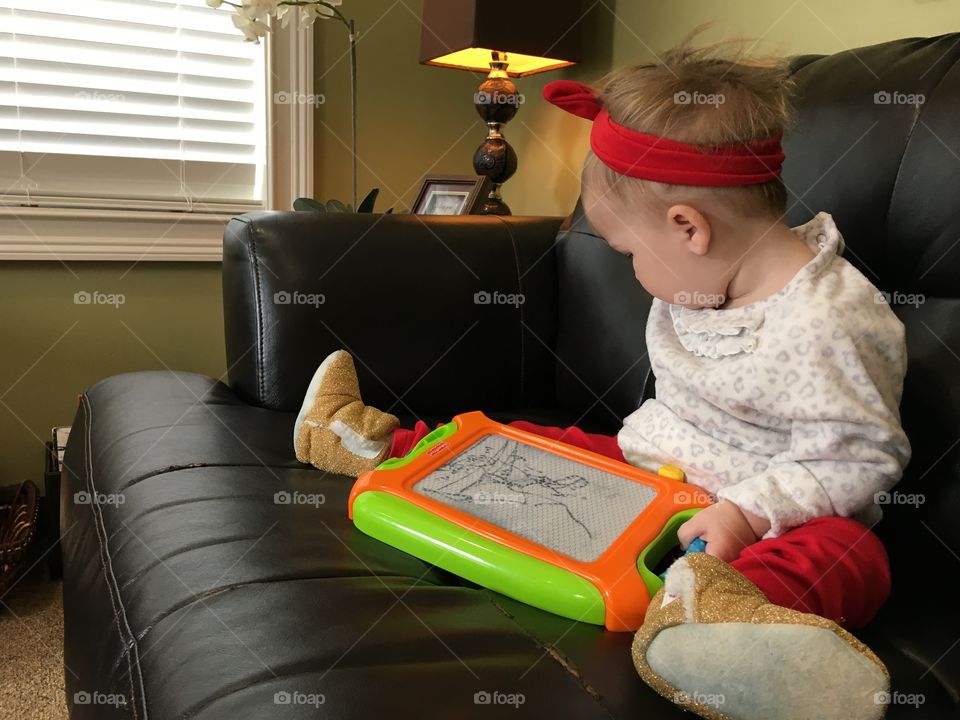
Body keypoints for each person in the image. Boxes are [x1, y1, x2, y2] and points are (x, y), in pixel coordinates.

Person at [293, 40, 910, 720]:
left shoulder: (831, 318)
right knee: (523, 441)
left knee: (854, 555)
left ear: (689, 229)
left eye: (628, 254)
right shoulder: (698, 281)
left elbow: (856, 457)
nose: (629, 272)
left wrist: (743, 513)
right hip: (652, 473)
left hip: (770, 517)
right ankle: (375, 442)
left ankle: (715, 622)